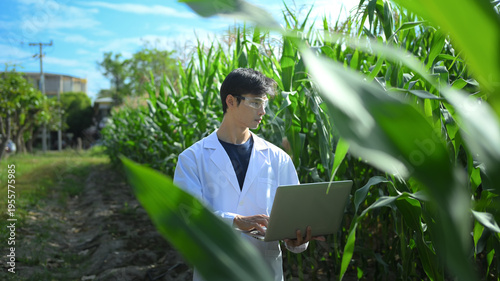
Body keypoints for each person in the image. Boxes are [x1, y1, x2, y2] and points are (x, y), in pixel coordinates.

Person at [173, 68, 317, 281]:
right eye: (256, 102)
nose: (263, 112)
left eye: (264, 104)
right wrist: (236, 221)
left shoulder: (278, 158)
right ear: (230, 101)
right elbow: (185, 217)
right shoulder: (192, 158)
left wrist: (297, 241)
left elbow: (292, 219)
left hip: (264, 270)